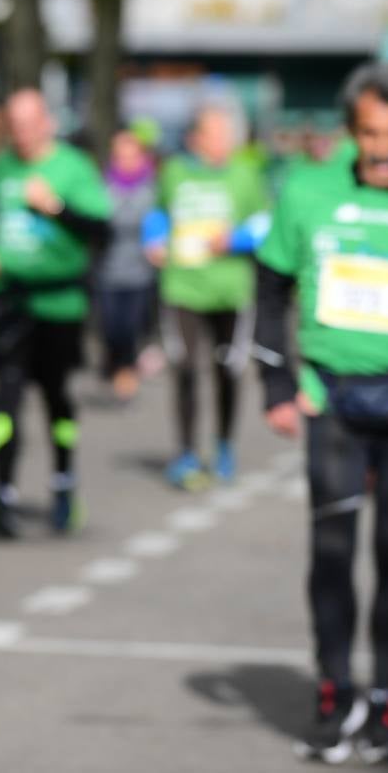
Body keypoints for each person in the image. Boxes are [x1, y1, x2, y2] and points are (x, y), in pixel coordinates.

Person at [255, 63, 388, 766]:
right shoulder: (309, 190)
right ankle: (334, 691)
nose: (382, 150)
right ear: (352, 131)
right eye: (371, 134)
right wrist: (277, 387)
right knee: (333, 551)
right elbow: (270, 286)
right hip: (332, 397)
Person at [0, 89, 111, 538]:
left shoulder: (74, 167)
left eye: (31, 124)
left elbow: (101, 231)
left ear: (47, 121)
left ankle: (63, 484)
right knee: (5, 396)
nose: (24, 135)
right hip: (9, 301)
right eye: (16, 125)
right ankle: (2, 492)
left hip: (59, 304)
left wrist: (56, 208)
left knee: (56, 397)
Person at [143, 104, 269, 489]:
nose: (222, 142)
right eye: (214, 134)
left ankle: (225, 446)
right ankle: (185, 453)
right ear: (195, 138)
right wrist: (153, 239)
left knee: (228, 371)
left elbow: (266, 224)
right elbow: (158, 214)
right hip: (183, 287)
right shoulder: (175, 173)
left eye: (226, 134)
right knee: (183, 369)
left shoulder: (246, 175)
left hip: (231, 291)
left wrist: (235, 239)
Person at [96, 125, 158, 401]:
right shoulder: (102, 187)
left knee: (131, 327)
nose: (126, 160)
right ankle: (114, 363)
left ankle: (127, 370)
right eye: (120, 155)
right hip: (107, 271)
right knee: (111, 327)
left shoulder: (153, 188)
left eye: (131, 155)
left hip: (140, 273)